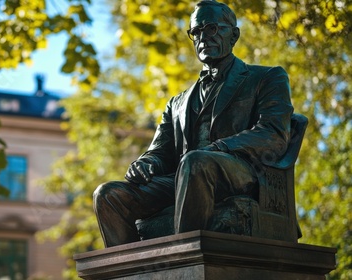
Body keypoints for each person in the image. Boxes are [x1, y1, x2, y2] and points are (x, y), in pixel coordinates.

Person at [93, 0, 294, 248]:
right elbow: (161, 152)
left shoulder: (266, 77)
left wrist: (219, 148)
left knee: (195, 161)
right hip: (183, 177)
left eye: (211, 28)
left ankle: (183, 265)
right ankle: (134, 272)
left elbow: (273, 135)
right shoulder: (177, 102)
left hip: (240, 173)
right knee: (109, 195)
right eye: (196, 32)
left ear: (234, 35)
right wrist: (146, 163)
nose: (203, 37)